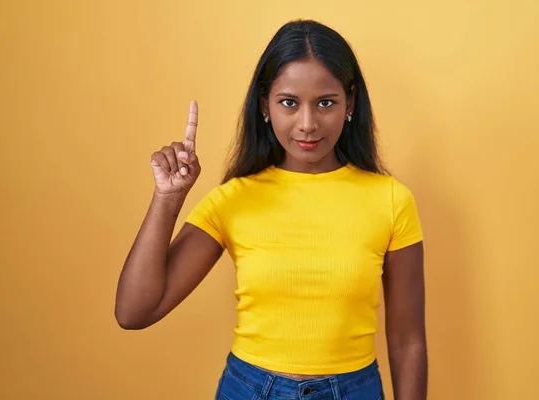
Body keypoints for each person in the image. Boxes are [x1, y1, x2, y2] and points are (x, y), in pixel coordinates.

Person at [115, 19, 427, 400]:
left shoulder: (392, 200)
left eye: (325, 102)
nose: (308, 124)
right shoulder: (233, 199)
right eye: (289, 103)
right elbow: (133, 313)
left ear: (351, 103)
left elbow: (408, 342)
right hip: (250, 390)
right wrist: (168, 199)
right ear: (265, 105)